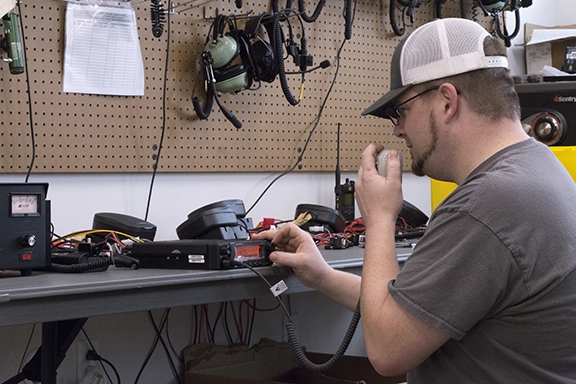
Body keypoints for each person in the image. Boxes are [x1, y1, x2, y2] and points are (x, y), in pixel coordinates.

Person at [252, 18, 576, 382]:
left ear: (446, 101)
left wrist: (379, 219)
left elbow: (388, 351)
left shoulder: (487, 206)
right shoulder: (537, 167)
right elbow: (412, 309)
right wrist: (323, 276)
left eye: (400, 111)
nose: (397, 129)